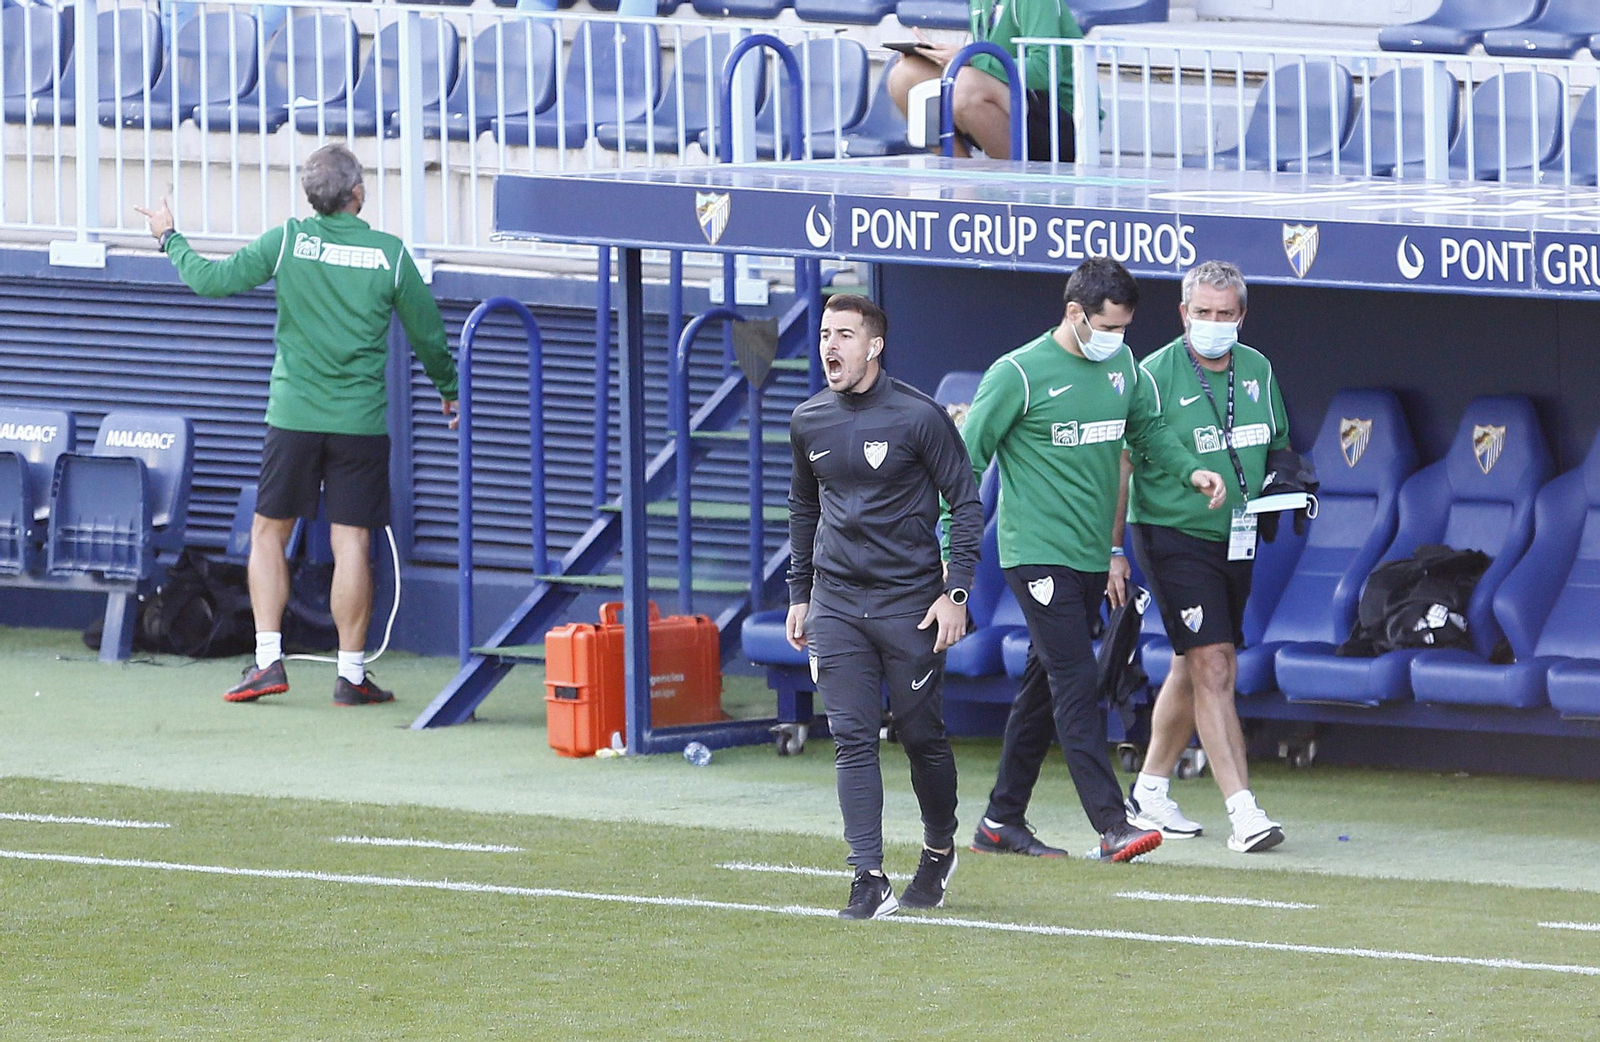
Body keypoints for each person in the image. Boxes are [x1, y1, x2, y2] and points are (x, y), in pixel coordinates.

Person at [134, 144, 459, 707]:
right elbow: (429, 337)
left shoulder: (286, 241)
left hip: (293, 417)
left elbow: (211, 281)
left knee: (268, 534)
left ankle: (266, 664)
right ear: (357, 194)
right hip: (358, 421)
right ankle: (351, 676)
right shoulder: (390, 255)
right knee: (352, 541)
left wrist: (169, 237)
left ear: (313, 197)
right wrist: (449, 391)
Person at [957, 258, 1227, 863]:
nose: (1118, 340)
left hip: (1089, 558)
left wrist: (1191, 469)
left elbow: (1150, 432)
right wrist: (953, 547)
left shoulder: (1124, 368)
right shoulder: (1018, 374)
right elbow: (964, 464)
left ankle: (1000, 821)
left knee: (1041, 688)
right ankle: (1112, 825)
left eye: (1126, 329)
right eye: (1109, 327)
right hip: (1035, 556)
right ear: (1075, 313)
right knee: (1077, 683)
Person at [786, 294, 984, 920]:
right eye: (824, 334)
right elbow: (802, 510)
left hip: (911, 605)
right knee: (851, 738)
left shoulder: (919, 417)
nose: (830, 346)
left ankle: (938, 848)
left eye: (844, 334)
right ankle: (867, 877)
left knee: (922, 736)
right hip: (837, 604)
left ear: (874, 346)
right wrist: (800, 594)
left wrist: (956, 593)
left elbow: (967, 504)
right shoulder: (808, 419)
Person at [1115, 260, 1289, 854]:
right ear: (1183, 312)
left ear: (1241, 315)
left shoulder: (1258, 369)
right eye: (1202, 312)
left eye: (1225, 313)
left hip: (1236, 535)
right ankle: (1245, 812)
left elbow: (1276, 442)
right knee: (1215, 663)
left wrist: (1288, 477)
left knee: (1193, 662)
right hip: (1171, 533)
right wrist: (1113, 548)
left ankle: (1150, 790)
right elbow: (1125, 462)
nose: (1213, 323)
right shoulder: (1154, 375)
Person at [885, 0, 1082, 161]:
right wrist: (938, 57)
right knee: (905, 75)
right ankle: (960, 179)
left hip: (1061, 125)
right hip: (1013, 104)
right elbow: (989, 65)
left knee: (965, 85)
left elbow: (1044, 72)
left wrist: (970, 58)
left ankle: (1014, 185)